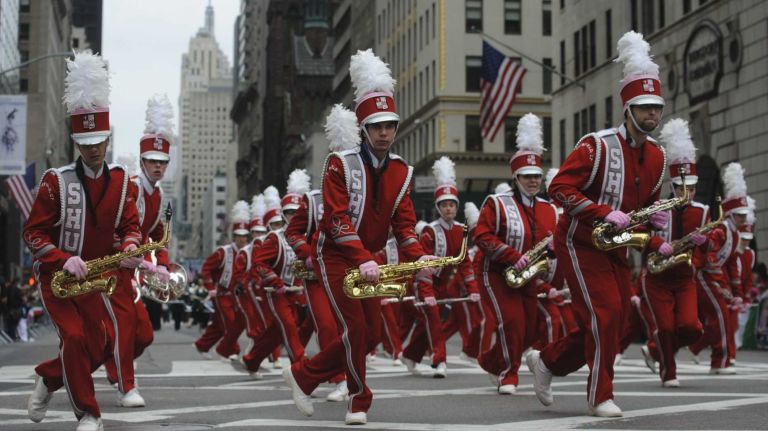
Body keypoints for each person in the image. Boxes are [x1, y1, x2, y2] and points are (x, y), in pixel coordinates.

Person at [283, 49, 434, 426]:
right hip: (333, 257)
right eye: (376, 126)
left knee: (373, 334)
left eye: (389, 125)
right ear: (363, 128)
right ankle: (359, 399)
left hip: (372, 260)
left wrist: (419, 257)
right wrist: (362, 257)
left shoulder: (402, 171)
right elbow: (334, 220)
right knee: (356, 328)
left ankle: (304, 374)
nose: (384, 133)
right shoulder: (340, 163)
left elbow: (403, 225)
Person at [526, 31, 671, 417]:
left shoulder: (657, 156)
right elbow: (559, 187)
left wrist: (656, 217)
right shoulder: (597, 145)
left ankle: (548, 362)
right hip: (580, 243)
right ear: (627, 109)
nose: (652, 114)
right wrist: (600, 211)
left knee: (618, 323)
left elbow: (647, 203)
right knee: (605, 315)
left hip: (618, 246)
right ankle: (599, 395)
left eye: (656, 107)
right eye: (644, 107)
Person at [24, 50, 144, 431]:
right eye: (86, 141)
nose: (94, 149)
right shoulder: (55, 181)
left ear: (108, 138)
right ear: (76, 142)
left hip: (94, 280)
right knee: (75, 339)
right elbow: (32, 232)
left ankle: (48, 376)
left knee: (104, 343)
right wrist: (61, 258)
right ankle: (89, 414)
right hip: (58, 280)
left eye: (99, 140)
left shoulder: (123, 180)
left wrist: (129, 249)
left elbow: (131, 227)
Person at [474, 114, 558, 395]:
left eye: (537, 176)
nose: (533, 181)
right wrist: (511, 255)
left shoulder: (548, 209)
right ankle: (508, 375)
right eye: (527, 176)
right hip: (495, 272)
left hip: (529, 275)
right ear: (516, 177)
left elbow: (550, 243)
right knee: (511, 322)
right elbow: (482, 236)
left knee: (531, 326)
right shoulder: (497, 203)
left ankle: (490, 362)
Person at [104, 94, 175, 407]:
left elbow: (158, 234)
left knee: (144, 335)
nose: (158, 167)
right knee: (127, 326)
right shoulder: (130, 187)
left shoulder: (157, 196)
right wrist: (127, 250)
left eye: (162, 163)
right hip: (111, 268)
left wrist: (163, 266)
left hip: (132, 271)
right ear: (142, 160)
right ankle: (126, 386)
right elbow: (108, 226)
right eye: (152, 161)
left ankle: (110, 364)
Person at [634, 119, 707, 387]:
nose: (686, 194)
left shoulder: (703, 212)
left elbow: (707, 250)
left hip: (684, 277)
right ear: (672, 187)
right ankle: (669, 372)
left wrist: (696, 256)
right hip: (656, 277)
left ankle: (654, 350)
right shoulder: (656, 207)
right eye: (680, 188)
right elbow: (638, 236)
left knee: (691, 328)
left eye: (691, 188)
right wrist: (656, 245)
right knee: (664, 328)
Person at [402, 156, 480, 378]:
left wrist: (472, 288)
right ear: (438, 207)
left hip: (443, 284)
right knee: (433, 319)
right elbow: (423, 266)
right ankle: (439, 361)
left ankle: (410, 354)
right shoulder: (430, 231)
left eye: (452, 204)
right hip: (423, 283)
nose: (449, 208)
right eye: (444, 205)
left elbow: (464, 262)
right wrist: (426, 292)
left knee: (428, 321)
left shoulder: (459, 230)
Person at [688, 163, 750, 373]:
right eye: (740, 215)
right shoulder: (722, 229)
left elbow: (732, 266)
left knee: (719, 317)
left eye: (744, 215)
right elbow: (710, 254)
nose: (744, 218)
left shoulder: (735, 234)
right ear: (731, 214)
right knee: (720, 315)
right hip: (703, 276)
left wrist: (737, 292)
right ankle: (720, 361)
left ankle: (692, 349)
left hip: (712, 278)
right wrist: (722, 285)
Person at [242, 184, 307, 374]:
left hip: (299, 295)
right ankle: (302, 370)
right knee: (288, 328)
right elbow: (260, 264)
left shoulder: (307, 236)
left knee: (276, 333)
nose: (293, 217)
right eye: (289, 213)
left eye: (297, 212)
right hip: (278, 293)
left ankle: (252, 360)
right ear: (283, 215)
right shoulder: (274, 238)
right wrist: (277, 283)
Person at [193, 202, 251, 360]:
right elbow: (206, 269)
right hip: (223, 294)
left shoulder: (249, 252)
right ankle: (232, 350)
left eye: (245, 236)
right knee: (231, 323)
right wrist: (210, 287)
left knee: (219, 325)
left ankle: (202, 345)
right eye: (239, 236)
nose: (242, 239)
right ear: (234, 236)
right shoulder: (223, 252)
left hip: (239, 296)